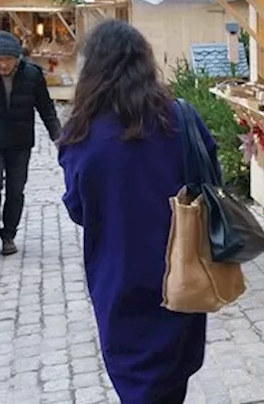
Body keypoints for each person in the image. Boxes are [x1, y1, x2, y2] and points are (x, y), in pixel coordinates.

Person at [58, 20, 210, 404]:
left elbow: (79, 208)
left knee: (137, 382)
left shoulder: (81, 134)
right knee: (173, 375)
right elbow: (211, 180)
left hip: (118, 274)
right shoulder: (179, 118)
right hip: (180, 269)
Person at [0, 30, 60, 258]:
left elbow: (46, 109)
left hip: (20, 141)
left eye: (8, 60)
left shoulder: (33, 75)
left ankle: (9, 236)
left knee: (16, 190)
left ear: (17, 58)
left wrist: (58, 137)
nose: (3, 65)